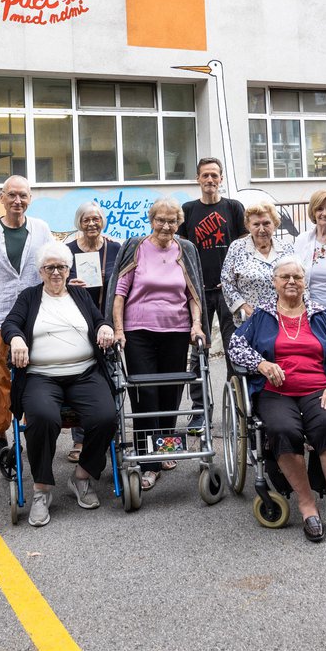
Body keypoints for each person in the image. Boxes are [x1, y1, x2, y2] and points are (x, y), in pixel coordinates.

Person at [229, 256, 326, 543]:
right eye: (285, 277)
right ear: (274, 283)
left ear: (305, 282)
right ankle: (306, 504)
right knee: (282, 430)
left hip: (319, 387)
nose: (292, 282)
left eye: (297, 277)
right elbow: (235, 345)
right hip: (275, 391)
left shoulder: (321, 314)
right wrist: (261, 364)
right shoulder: (262, 316)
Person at [1, 242, 116, 527]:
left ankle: (82, 476)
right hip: (41, 375)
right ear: (40, 271)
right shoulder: (29, 297)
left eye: (61, 267)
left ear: (68, 270)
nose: (55, 272)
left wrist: (104, 327)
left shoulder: (79, 294)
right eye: (49, 267)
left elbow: (99, 319)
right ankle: (41, 490)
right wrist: (16, 338)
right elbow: (10, 324)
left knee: (106, 416)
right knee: (41, 418)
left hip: (85, 373)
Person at [105, 197, 208, 491]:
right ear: (151, 220)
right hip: (139, 331)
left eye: (172, 221)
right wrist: (119, 329)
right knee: (145, 393)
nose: (166, 226)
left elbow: (193, 293)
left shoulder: (185, 249)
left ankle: (164, 446)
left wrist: (197, 325)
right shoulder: (136, 247)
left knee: (171, 391)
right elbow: (120, 292)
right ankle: (148, 463)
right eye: (160, 220)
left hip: (176, 331)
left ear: (179, 223)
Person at [0, 176, 52, 466]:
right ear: (1, 197)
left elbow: (52, 265)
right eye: (12, 195)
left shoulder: (41, 229)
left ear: (30, 198)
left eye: (23, 195)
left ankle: (33, 431)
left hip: (35, 317)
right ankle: (1, 436)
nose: (17, 201)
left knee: (35, 377)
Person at [177, 157, 246, 431]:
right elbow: (180, 252)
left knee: (235, 350)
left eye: (214, 175)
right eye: (205, 175)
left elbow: (243, 247)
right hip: (199, 293)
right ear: (198, 179)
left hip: (229, 292)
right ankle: (199, 411)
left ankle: (237, 407)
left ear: (221, 178)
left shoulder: (234, 207)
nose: (209, 180)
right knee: (198, 353)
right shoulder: (188, 210)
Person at [65, 201, 121, 462]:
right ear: (79, 222)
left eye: (96, 219)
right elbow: (53, 282)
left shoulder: (115, 249)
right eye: (86, 219)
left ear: (103, 221)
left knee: (111, 380)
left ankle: (110, 434)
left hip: (106, 325)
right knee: (79, 379)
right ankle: (79, 440)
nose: (91, 224)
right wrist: (68, 285)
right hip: (76, 324)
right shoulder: (67, 251)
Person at [221, 202, 294, 322]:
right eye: (256, 224)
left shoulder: (286, 248)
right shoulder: (237, 248)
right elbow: (227, 282)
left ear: (275, 224)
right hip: (249, 320)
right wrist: (246, 309)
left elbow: (299, 280)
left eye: (266, 223)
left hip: (284, 319)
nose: (261, 229)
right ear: (248, 226)